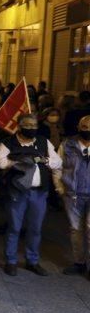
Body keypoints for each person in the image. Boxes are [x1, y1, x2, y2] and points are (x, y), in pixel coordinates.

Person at [0, 114, 63, 276]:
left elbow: (58, 162)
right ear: (19, 126)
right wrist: (19, 161)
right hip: (17, 191)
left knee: (35, 228)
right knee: (14, 227)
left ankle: (32, 261)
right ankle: (11, 261)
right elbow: (1, 162)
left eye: (34, 125)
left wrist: (44, 160)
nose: (32, 128)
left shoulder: (43, 142)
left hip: (39, 193)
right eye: (28, 125)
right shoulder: (8, 142)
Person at [53, 116, 90, 277]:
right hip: (73, 194)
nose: (87, 130)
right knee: (76, 230)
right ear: (78, 126)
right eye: (84, 126)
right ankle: (79, 262)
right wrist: (60, 188)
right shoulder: (67, 144)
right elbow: (57, 167)